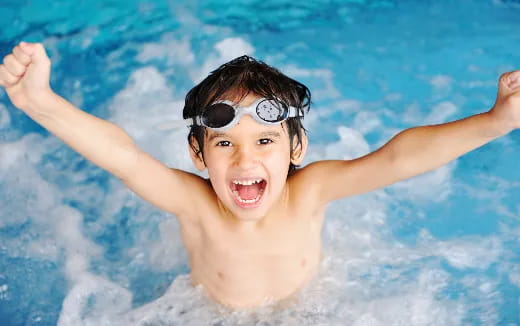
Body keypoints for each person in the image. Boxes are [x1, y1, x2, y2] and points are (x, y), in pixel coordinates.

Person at [0, 42, 518, 309]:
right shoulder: (194, 203)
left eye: (265, 141)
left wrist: (495, 121)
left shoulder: (310, 190)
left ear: (297, 147)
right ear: (198, 155)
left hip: (306, 308)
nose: (244, 161)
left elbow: (396, 160)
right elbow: (125, 158)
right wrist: (40, 103)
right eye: (224, 143)